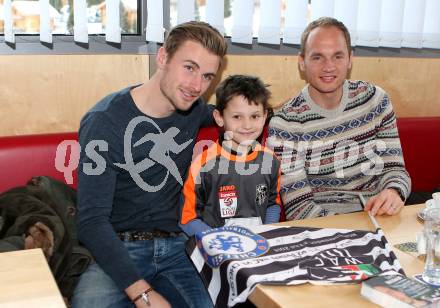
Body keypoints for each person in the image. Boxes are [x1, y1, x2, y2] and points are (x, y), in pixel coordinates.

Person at [72, 21, 227, 308]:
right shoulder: (105, 121)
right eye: (189, 67)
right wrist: (142, 294)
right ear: (163, 58)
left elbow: (237, 111)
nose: (196, 86)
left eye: (207, 76)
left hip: (177, 247)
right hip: (119, 248)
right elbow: (91, 222)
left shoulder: (193, 111)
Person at [268, 17, 411, 220]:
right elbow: (298, 208)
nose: (329, 66)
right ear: (302, 62)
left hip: (381, 216)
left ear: (350, 59)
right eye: (317, 57)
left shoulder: (375, 100)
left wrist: (394, 191)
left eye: (338, 56)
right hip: (324, 225)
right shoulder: (285, 124)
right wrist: (356, 229)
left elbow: (395, 169)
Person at [180, 75, 281, 236]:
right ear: (219, 118)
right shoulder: (203, 165)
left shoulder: (271, 161)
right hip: (217, 251)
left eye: (254, 116)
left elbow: (272, 204)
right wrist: (217, 241)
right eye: (237, 117)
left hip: (259, 248)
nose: (247, 125)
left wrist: (267, 232)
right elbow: (188, 219)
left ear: (264, 116)